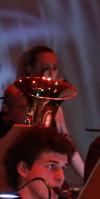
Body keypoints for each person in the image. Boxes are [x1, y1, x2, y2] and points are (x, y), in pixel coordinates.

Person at [15, 45, 84, 178]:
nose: (51, 73)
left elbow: (67, 142)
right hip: (29, 173)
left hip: (49, 170)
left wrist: (87, 177)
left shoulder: (54, 105)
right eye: (45, 68)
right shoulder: (20, 100)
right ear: (30, 69)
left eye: (55, 68)